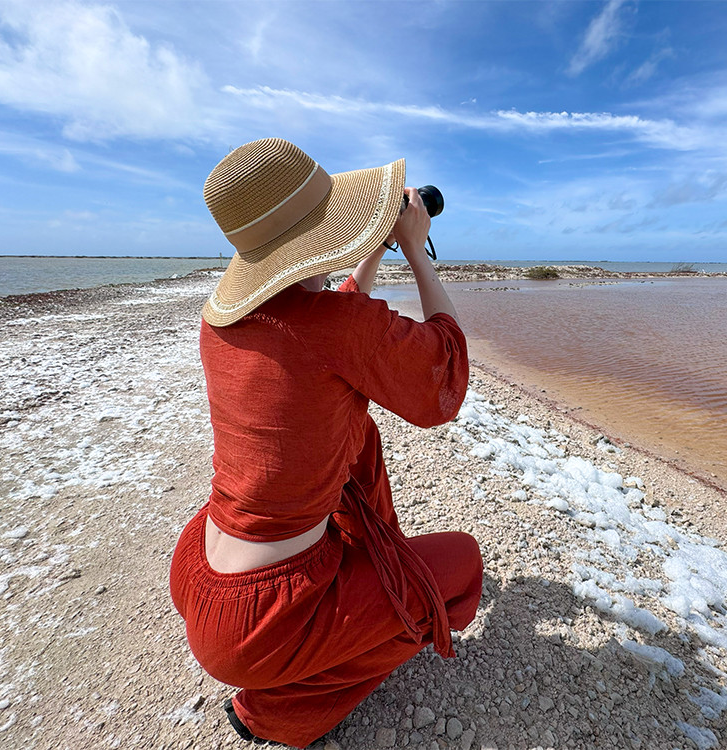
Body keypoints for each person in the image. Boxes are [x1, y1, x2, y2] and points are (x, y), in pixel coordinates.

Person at [169, 137, 484, 748]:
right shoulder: (341, 330)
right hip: (264, 619)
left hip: (200, 571)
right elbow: (443, 373)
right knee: (461, 569)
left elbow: (323, 323)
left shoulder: (222, 324)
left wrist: (366, 256)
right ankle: (276, 709)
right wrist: (417, 253)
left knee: (353, 426)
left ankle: (305, 643)